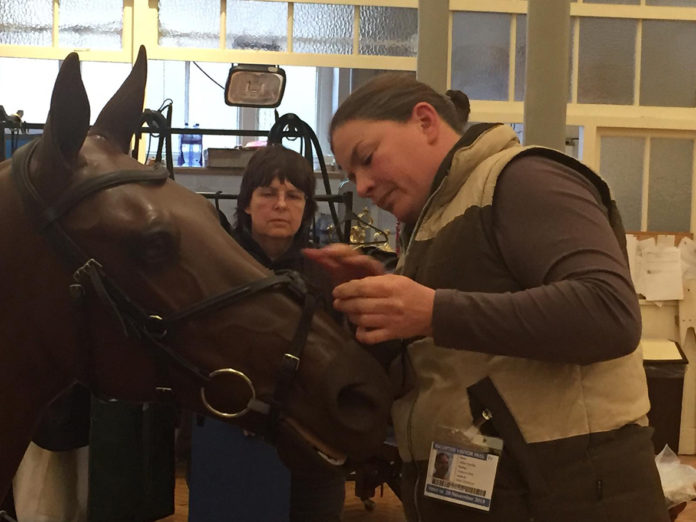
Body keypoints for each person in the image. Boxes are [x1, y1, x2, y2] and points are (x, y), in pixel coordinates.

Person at [304, 73, 670, 522]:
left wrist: (433, 311)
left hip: (565, 494)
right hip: (497, 492)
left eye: (366, 158)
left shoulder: (524, 179)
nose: (361, 186)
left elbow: (608, 312)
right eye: (351, 174)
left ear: (424, 121)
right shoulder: (433, 223)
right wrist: (383, 292)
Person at [188, 144, 346, 522]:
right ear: (246, 203)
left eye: (293, 196)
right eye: (268, 193)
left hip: (308, 445)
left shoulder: (328, 276)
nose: (280, 205)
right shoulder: (214, 269)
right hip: (228, 441)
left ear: (307, 208)